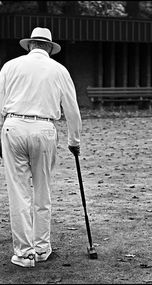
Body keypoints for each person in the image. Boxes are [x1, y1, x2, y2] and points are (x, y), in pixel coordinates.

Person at [0, 27, 82, 267]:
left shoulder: (10, 66)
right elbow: (72, 110)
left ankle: (24, 253)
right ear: (49, 48)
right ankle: (42, 248)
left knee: (18, 193)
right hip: (44, 128)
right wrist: (74, 141)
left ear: (29, 46)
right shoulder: (59, 70)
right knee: (42, 191)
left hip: (13, 126)